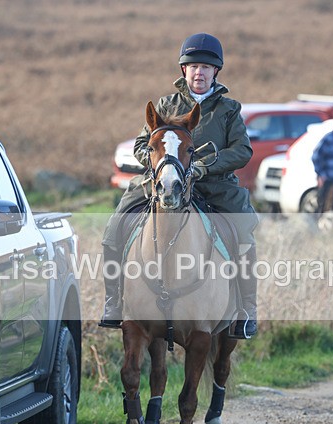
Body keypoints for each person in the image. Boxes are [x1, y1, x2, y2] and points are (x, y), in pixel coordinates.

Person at [99, 32, 259, 339]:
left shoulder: (229, 109)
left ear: (216, 72)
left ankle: (245, 310)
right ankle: (113, 303)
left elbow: (242, 151)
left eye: (206, 67)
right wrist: (160, 163)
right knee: (113, 229)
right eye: (193, 66)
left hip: (213, 186)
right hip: (164, 182)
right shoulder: (165, 103)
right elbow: (141, 144)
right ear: (183, 70)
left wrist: (203, 166)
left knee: (243, 235)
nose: (199, 72)